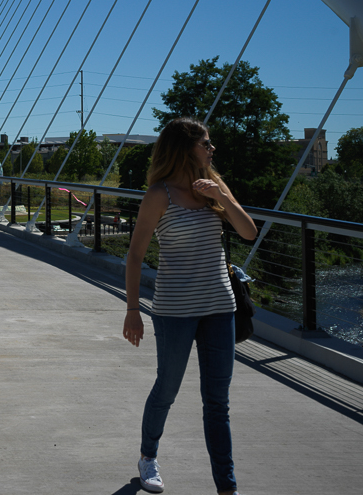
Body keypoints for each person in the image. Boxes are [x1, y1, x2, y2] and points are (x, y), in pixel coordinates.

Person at [123, 118, 257, 495]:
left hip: (220, 307)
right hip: (174, 311)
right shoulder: (158, 195)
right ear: (185, 148)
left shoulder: (214, 187)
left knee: (218, 402)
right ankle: (148, 456)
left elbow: (248, 232)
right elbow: (134, 255)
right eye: (206, 144)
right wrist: (133, 310)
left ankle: (226, 487)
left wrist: (223, 198)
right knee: (167, 387)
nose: (212, 149)